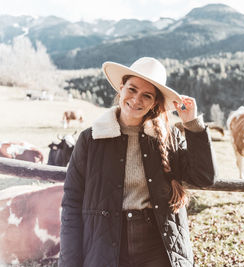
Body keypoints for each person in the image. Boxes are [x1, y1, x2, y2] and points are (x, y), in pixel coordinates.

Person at [58, 57, 217, 267]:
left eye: (147, 95)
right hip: (105, 245)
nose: (136, 99)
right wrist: (69, 262)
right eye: (132, 90)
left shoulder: (169, 138)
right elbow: (72, 203)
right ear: (121, 89)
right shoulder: (91, 139)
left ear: (154, 103)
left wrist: (192, 124)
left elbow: (204, 177)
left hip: (159, 245)